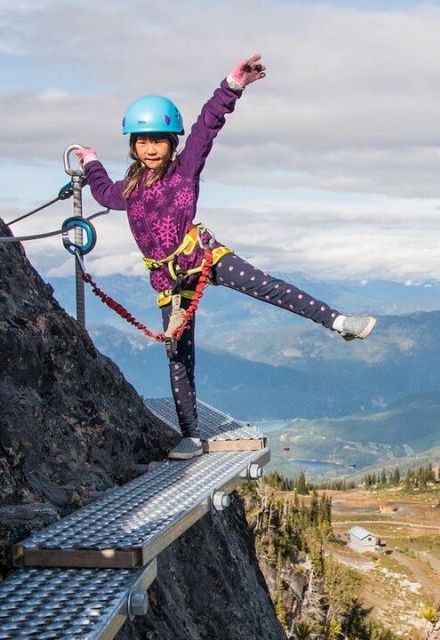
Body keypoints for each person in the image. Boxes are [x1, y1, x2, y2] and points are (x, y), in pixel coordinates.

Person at [74, 54, 376, 460]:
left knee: (264, 285)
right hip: (168, 282)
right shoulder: (127, 190)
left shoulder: (184, 171)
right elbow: (101, 192)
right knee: (178, 356)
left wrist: (233, 85)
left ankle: (339, 321)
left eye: (158, 140)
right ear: (132, 145)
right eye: (143, 141)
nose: (150, 148)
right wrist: (91, 161)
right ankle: (191, 436)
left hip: (201, 256)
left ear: (172, 143)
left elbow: (206, 127)